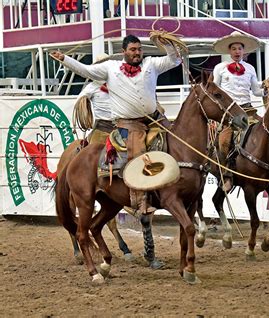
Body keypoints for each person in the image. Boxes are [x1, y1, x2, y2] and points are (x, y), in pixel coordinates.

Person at [51, 34, 182, 216]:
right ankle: (140, 200)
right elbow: (85, 70)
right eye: (133, 50)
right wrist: (65, 59)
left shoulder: (151, 64)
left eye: (139, 49)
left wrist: (166, 43)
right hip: (129, 126)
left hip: (156, 119)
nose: (137, 53)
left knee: (179, 141)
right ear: (124, 52)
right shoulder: (110, 69)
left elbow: (174, 60)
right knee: (137, 156)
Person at [212, 31, 264, 191]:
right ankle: (226, 175)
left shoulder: (250, 68)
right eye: (233, 48)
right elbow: (214, 90)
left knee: (266, 131)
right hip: (229, 113)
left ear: (244, 51)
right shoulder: (220, 68)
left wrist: (267, 89)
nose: (237, 52)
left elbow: (256, 90)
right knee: (224, 142)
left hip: (248, 110)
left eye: (239, 48)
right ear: (229, 51)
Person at [75, 54, 114, 144]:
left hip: (122, 125)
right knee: (95, 152)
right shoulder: (92, 87)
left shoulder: (119, 83)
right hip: (102, 127)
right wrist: (84, 102)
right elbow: (79, 100)